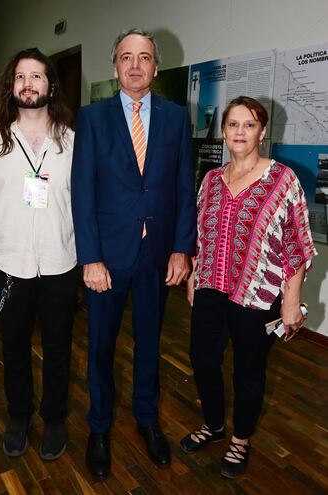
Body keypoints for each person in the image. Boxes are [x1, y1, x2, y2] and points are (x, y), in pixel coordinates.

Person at [71, 28, 196, 478]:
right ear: (116, 66)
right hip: (106, 257)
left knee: (149, 344)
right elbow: (81, 191)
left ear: (156, 67)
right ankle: (99, 427)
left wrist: (183, 249)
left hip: (158, 257)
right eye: (127, 57)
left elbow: (185, 189)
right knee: (101, 347)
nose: (136, 65)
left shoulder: (176, 118)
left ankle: (147, 420)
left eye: (145, 57)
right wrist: (90, 257)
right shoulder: (92, 118)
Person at [180, 96, 317, 478]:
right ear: (224, 131)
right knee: (203, 360)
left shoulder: (282, 180)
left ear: (262, 131)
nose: (240, 132)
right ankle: (214, 424)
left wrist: (291, 302)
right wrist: (193, 275)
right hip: (209, 288)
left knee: (249, 372)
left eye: (249, 124)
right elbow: (201, 236)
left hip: (257, 296)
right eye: (233, 124)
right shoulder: (210, 179)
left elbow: (297, 246)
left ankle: (240, 438)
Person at [0, 48, 78, 461]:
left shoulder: (71, 138)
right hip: (9, 264)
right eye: (21, 77)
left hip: (60, 262)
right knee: (13, 347)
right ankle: (19, 416)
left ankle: (54, 418)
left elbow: (80, 199)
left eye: (37, 76)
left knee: (58, 346)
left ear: (50, 85)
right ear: (10, 85)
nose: (28, 84)